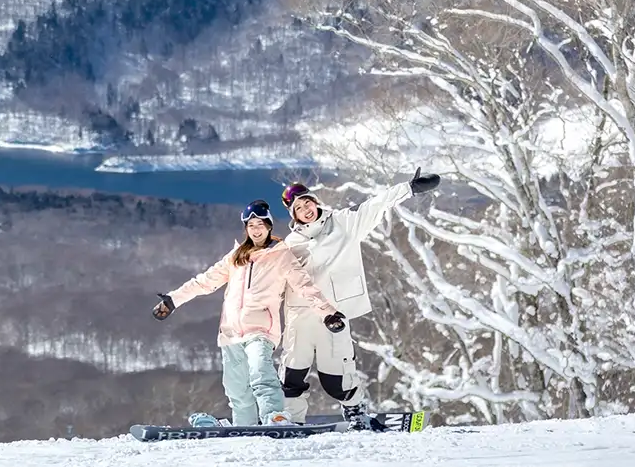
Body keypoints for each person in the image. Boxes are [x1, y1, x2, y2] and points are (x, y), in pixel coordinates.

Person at [152, 199, 343, 426]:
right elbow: (205, 282)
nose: (256, 229)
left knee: (261, 373)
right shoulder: (235, 257)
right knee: (236, 388)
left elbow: (304, 286)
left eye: (260, 224)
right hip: (231, 332)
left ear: (269, 226)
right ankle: (245, 427)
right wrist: (173, 300)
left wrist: (328, 313)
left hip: (261, 329)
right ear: (246, 229)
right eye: (251, 225)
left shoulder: (281, 256)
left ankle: (275, 416)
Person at [277, 167, 441, 422]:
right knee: (292, 373)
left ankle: (354, 410)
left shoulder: (344, 223)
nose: (306, 209)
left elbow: (375, 205)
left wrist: (408, 188)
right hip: (300, 318)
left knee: (337, 376)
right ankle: (291, 419)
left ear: (316, 202)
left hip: (335, 315)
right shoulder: (290, 244)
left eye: (308, 202)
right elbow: (271, 281)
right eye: (299, 208)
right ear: (293, 215)